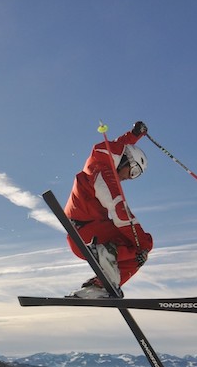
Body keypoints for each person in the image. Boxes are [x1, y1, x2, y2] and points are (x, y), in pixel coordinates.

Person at [64, 121, 152, 298]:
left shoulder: (103, 158)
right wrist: (142, 242)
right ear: (127, 161)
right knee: (142, 245)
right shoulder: (102, 172)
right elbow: (120, 210)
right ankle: (105, 266)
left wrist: (135, 134)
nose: (130, 178)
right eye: (134, 172)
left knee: (138, 253)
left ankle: (98, 286)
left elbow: (120, 146)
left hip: (87, 231)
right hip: (86, 234)